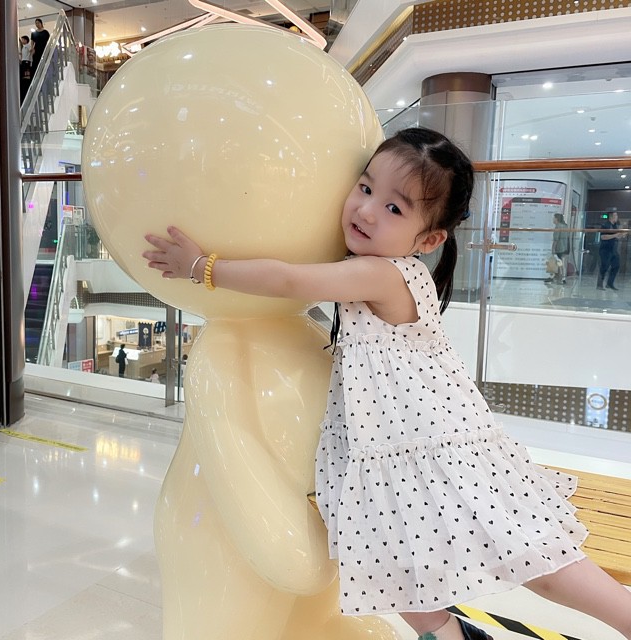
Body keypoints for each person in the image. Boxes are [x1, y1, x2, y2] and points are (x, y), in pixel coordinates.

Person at [143, 127, 631, 640]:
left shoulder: (384, 274)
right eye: (365, 187)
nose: (367, 210)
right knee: (394, 560)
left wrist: (202, 267)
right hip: (399, 445)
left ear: (429, 240)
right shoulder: (381, 269)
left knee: (532, 557)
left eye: (395, 208)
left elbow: (289, 279)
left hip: (433, 442)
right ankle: (450, 633)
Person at [597, 209, 627, 290]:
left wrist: (621, 235)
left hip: (613, 249)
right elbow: (603, 237)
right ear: (611, 217)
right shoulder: (605, 225)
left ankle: (610, 283)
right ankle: (599, 285)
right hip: (605, 250)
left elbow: (616, 237)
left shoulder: (615, 226)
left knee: (616, 265)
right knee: (604, 267)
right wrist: (615, 235)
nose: (617, 217)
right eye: (616, 215)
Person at [545, 212, 569, 284]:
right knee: (561, 262)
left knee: (557, 262)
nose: (553, 219)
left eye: (554, 218)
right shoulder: (565, 226)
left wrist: (553, 248)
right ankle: (561, 277)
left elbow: (556, 239)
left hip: (559, 247)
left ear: (557, 219)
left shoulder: (558, 227)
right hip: (565, 247)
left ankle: (557, 277)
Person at [19, 35, 32, 103]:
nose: (22, 41)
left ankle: (26, 79)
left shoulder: (28, 46)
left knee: (25, 74)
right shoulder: (23, 47)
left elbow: (31, 51)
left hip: (27, 61)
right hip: (24, 61)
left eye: (23, 39)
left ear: (26, 40)